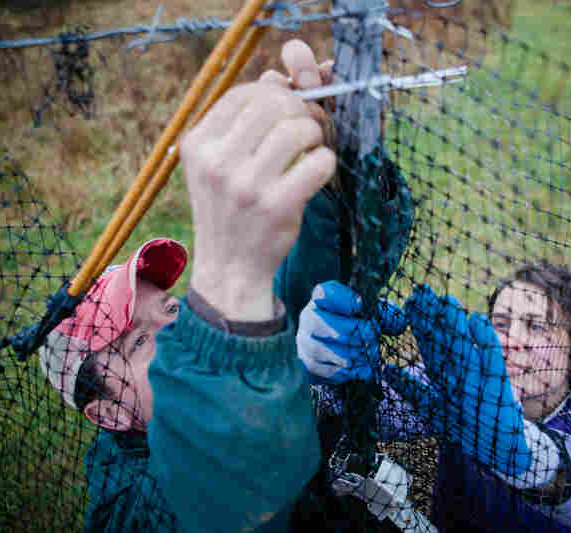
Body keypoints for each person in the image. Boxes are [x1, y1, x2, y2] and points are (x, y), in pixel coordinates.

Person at [38, 40, 349, 533]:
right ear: (110, 413)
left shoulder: (221, 355)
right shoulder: (128, 502)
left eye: (169, 309)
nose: (176, 328)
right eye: (138, 340)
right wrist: (230, 289)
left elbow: (306, 279)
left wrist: (335, 170)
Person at [298, 262, 571, 532]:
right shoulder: (464, 386)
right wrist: (330, 370)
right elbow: (377, 411)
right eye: (500, 322)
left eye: (536, 326)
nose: (511, 340)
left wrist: (530, 456)